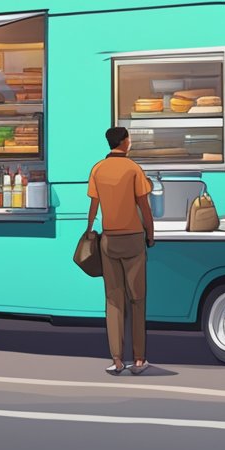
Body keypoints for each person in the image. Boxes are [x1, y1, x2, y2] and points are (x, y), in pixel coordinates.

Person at [86, 126, 155, 375]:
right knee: (137, 300)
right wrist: (150, 233)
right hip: (134, 239)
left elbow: (94, 206)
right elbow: (144, 206)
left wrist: (89, 231)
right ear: (124, 142)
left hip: (109, 241)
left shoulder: (98, 169)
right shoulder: (133, 169)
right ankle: (138, 360)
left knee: (114, 301)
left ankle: (116, 360)